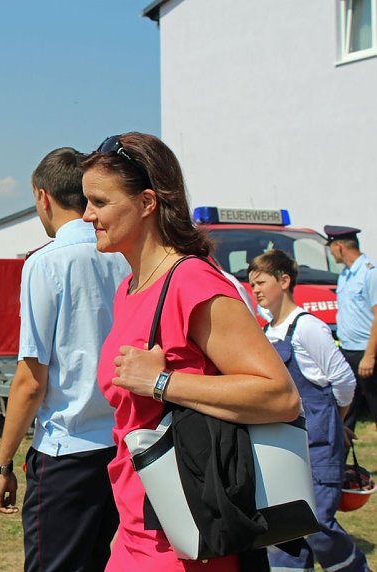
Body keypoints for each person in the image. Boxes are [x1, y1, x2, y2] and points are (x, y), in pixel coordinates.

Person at [80, 132, 301, 571]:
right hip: (138, 523)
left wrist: (162, 382)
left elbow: (279, 395)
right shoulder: (131, 287)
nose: (87, 215)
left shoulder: (191, 281)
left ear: (147, 203)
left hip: (188, 532)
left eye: (100, 202)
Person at [0, 147, 129, 571]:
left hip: (67, 451)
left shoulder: (45, 263)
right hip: (127, 445)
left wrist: (2, 461)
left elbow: (31, 379)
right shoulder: (127, 253)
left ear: (43, 196)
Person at [248, 250, 368, 572]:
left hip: (317, 445)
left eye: (261, 282)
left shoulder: (307, 328)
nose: (255, 290)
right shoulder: (266, 332)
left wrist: (335, 422)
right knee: (285, 526)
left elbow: (344, 381)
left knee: (317, 522)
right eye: (252, 284)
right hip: (282, 445)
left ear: (284, 281)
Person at [326, 225, 377, 431]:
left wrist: (370, 355)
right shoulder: (345, 274)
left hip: (366, 352)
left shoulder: (369, 273)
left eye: (330, 247)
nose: (330, 252)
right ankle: (339, 462)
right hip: (347, 351)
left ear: (339, 246)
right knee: (345, 413)